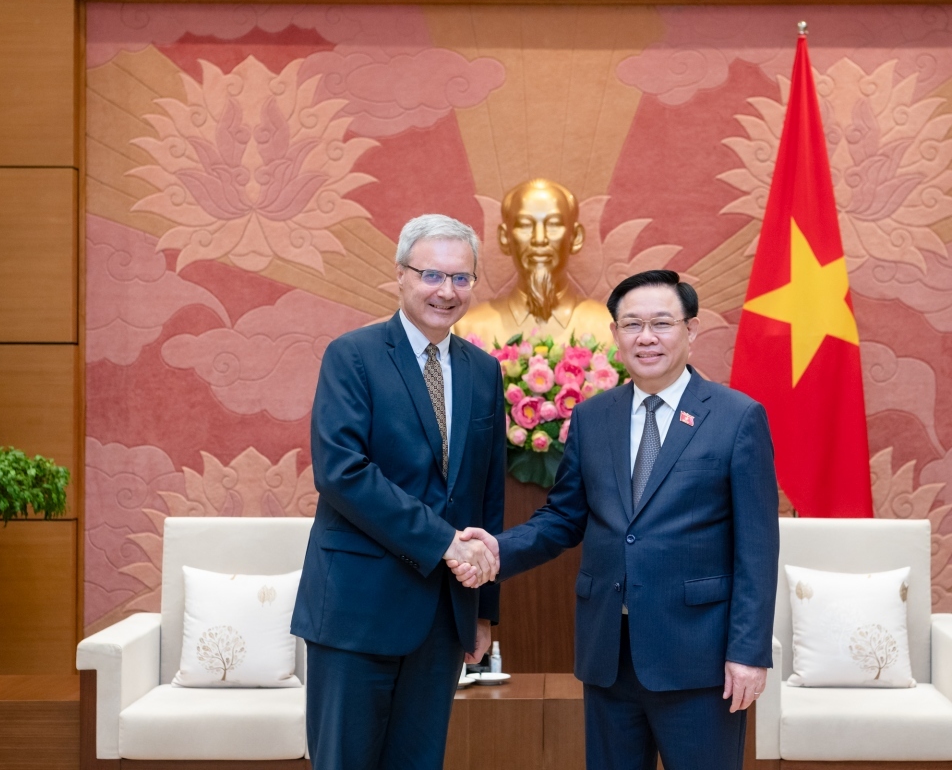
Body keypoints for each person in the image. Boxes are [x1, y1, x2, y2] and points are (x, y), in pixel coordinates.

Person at [451, 270, 779, 770]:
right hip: (609, 654)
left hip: (700, 657)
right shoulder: (592, 417)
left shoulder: (737, 418)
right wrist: (496, 550)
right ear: (615, 335)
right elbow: (562, 518)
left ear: (691, 330)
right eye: (632, 325)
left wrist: (749, 652)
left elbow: (757, 549)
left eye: (662, 323)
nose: (646, 337)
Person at [291, 214, 505, 770]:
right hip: (356, 609)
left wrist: (483, 610)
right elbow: (341, 471)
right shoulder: (353, 355)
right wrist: (444, 542)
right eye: (432, 274)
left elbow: (486, 493)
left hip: (441, 614)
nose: (446, 291)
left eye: (461, 278)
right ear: (401, 276)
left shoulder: (483, 371)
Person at [453, 178, 613, 347]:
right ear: (504, 238)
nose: (539, 239)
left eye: (553, 224)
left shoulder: (610, 329)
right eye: (524, 225)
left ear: (576, 237)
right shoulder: (466, 330)